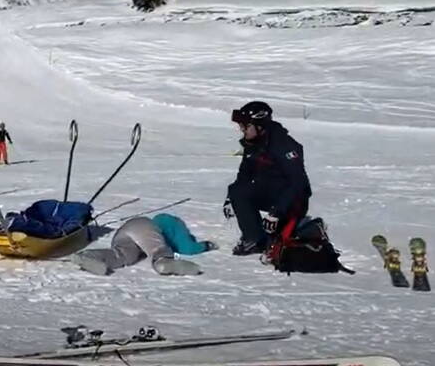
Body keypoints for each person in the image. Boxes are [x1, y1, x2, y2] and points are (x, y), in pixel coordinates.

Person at [224, 101, 312, 256]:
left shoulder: (283, 145)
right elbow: (244, 174)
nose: (242, 130)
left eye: (246, 126)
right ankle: (254, 239)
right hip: (271, 192)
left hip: (292, 200)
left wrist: (277, 212)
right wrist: (231, 199)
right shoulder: (254, 144)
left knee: (281, 237)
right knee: (237, 190)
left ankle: (276, 231)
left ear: (260, 126)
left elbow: (298, 183)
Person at [71, 214, 217, 276]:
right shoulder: (172, 223)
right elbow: (188, 248)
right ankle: (162, 262)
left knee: (124, 256)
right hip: (143, 225)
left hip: (123, 234)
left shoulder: (161, 221)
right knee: (158, 249)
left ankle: (91, 256)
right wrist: (206, 245)